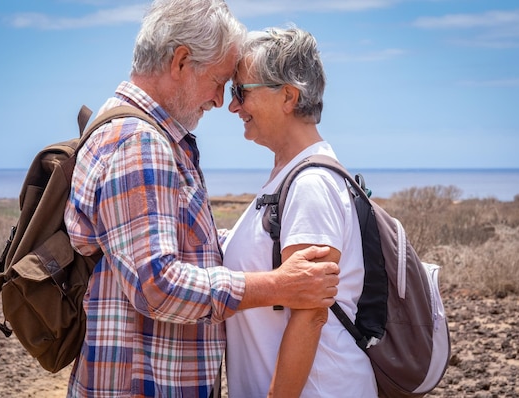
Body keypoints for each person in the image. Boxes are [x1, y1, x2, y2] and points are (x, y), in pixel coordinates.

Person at [63, 1, 341, 396]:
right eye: (220, 81)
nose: (221, 100)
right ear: (180, 62)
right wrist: (277, 286)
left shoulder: (136, 131)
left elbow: (179, 244)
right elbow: (156, 285)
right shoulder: (140, 143)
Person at [223, 27, 378, 397]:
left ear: (288, 96)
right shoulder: (289, 177)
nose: (233, 106)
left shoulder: (310, 185)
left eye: (240, 91)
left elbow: (310, 315)